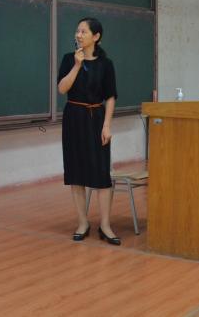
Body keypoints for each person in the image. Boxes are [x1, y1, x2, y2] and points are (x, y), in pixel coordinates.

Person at [57, 17, 120, 245]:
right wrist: (76, 65)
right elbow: (62, 88)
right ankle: (82, 223)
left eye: (83, 32)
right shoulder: (68, 59)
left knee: (101, 173)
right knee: (76, 173)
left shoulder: (106, 64)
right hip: (74, 118)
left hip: (97, 119)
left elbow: (110, 97)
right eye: (77, 31)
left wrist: (107, 125)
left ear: (96, 36)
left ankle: (105, 225)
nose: (78, 35)